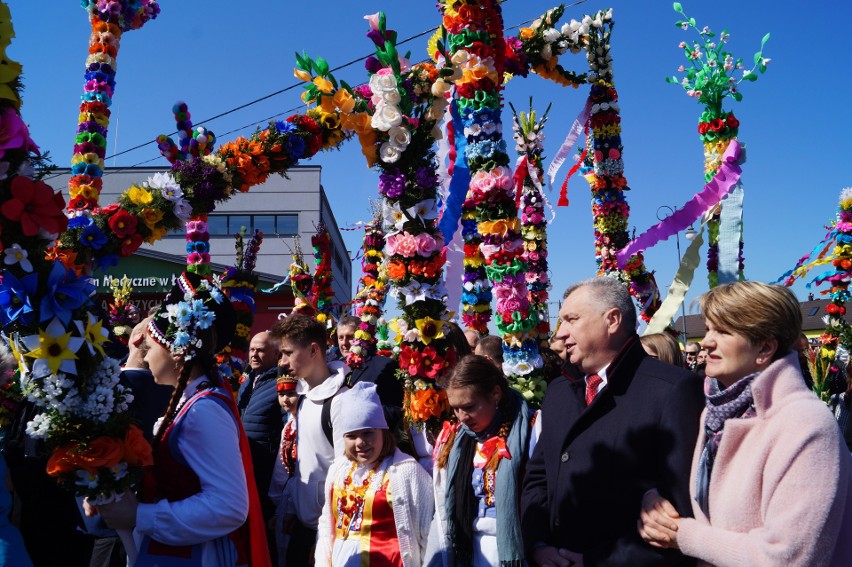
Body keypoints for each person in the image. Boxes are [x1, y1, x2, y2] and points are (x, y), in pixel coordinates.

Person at [639, 281, 852, 566]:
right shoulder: (718, 412)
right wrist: (657, 502)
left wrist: (684, 536)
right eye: (708, 327)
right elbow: (710, 505)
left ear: (764, 348)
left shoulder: (805, 424)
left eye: (723, 331)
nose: (706, 341)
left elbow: (788, 557)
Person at [521, 277, 703, 566]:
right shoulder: (558, 390)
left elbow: (677, 508)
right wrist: (538, 545)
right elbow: (538, 479)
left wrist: (599, 561)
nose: (561, 332)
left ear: (613, 320)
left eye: (572, 319)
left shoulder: (673, 390)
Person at [95, 271, 270, 567]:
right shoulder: (191, 404)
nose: (145, 357)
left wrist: (139, 515)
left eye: (149, 348)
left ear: (176, 350)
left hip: (197, 557)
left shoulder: (203, 411)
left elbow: (228, 507)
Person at [428, 355, 534, 566]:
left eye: (468, 407)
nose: (462, 417)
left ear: (495, 394)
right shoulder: (456, 438)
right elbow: (442, 505)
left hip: (514, 551)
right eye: (456, 408)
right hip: (468, 552)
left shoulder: (530, 429)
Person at [315, 382, 433, 566]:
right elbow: (326, 526)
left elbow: (427, 532)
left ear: (383, 432)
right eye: (351, 436)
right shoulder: (338, 470)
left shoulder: (406, 471)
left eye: (368, 433)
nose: (360, 443)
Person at [269, 314, 349, 566]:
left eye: (287, 353)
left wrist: (328, 537)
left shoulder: (340, 401)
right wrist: (293, 509)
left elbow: (346, 474)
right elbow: (302, 464)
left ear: (313, 350)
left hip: (328, 534)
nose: (282, 362)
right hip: (304, 528)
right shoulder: (303, 398)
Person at [238, 331, 286, 531]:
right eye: (251, 349)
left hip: (265, 467)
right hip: (244, 463)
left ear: (276, 354)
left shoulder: (281, 382)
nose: (254, 355)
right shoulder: (248, 379)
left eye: (261, 350)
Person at [337, 315, 403, 409]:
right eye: (340, 338)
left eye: (350, 337)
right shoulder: (336, 367)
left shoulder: (384, 365)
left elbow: (394, 409)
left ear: (362, 337)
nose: (344, 343)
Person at [269, 374, 300, 566]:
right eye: (281, 394)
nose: (285, 400)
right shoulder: (288, 425)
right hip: (286, 498)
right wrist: (277, 505)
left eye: (290, 393)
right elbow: (280, 468)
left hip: (302, 500)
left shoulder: (306, 423)